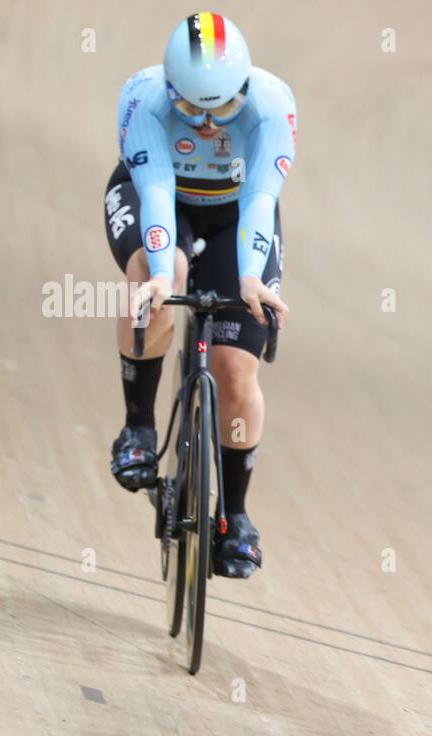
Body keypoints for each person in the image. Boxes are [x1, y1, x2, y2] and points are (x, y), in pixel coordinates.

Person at [104, 12, 295, 578]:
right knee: (160, 274)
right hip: (159, 200)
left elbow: (262, 198)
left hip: (238, 212)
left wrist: (251, 279)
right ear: (169, 91)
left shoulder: (272, 104)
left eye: (222, 109)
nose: (209, 124)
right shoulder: (142, 100)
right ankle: (138, 424)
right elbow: (158, 190)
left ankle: (234, 515)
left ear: (244, 90)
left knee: (237, 370)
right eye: (191, 109)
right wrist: (163, 274)